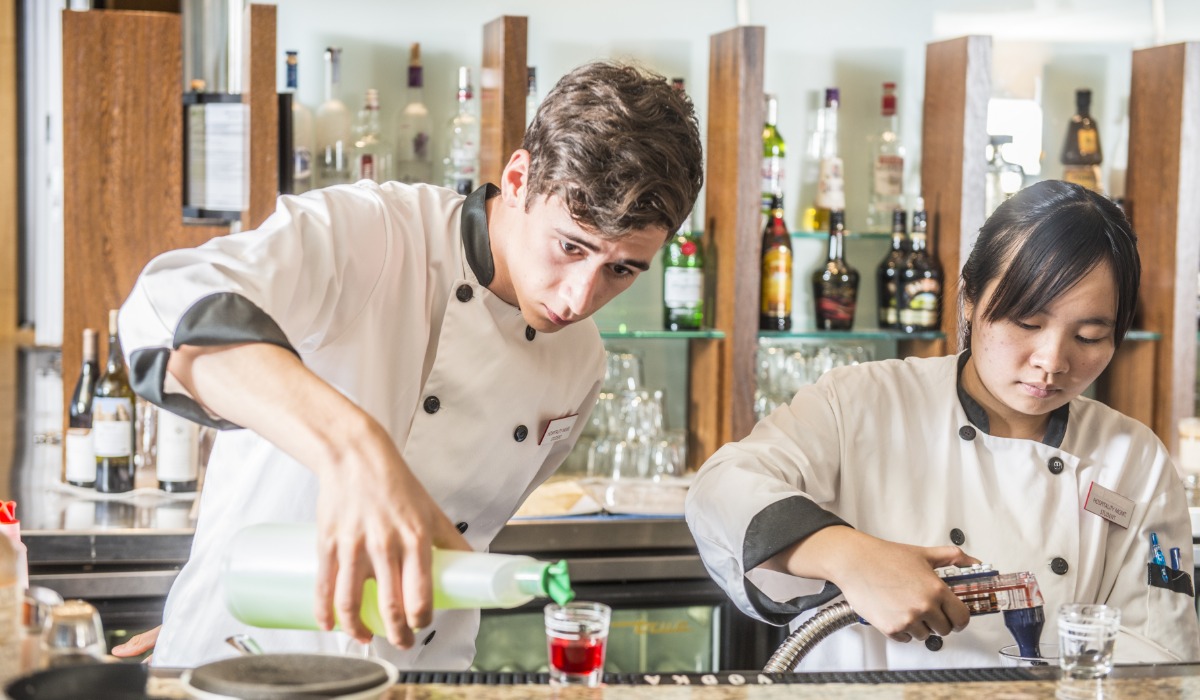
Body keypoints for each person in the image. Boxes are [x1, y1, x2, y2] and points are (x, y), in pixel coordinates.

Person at [109, 61, 703, 668]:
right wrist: (353, 449)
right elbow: (167, 305)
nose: (579, 298)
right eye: (570, 246)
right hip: (248, 657)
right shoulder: (373, 234)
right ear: (519, 179)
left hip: (421, 677)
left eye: (621, 269)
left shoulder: (581, 362)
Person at [685, 180, 1200, 671]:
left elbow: (1158, 648)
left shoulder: (1134, 460)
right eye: (1028, 323)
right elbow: (721, 490)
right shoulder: (861, 401)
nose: (1052, 361)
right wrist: (850, 556)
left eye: (1089, 336)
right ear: (970, 299)